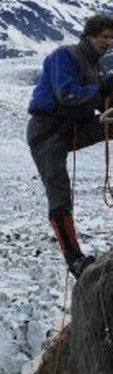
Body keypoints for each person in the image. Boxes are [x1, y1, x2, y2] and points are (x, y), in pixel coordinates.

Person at [27, 15, 113, 279]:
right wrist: (101, 89)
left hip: (72, 128)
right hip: (47, 130)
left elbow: (99, 102)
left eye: (111, 38)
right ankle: (73, 259)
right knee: (59, 192)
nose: (108, 43)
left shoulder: (95, 66)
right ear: (89, 35)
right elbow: (67, 94)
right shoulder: (64, 56)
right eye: (104, 37)